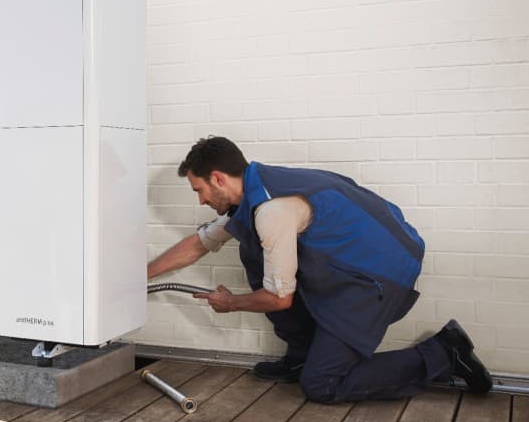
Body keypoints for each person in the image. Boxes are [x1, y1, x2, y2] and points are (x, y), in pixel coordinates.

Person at [147, 136, 492, 402]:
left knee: (322, 385)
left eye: (200, 190)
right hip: (357, 264)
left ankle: (445, 354)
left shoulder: (271, 210)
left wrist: (231, 302)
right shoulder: (257, 192)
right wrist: (140, 275)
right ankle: (302, 356)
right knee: (251, 248)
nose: (201, 201)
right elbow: (199, 243)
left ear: (218, 179)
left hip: (379, 275)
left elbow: (279, 299)